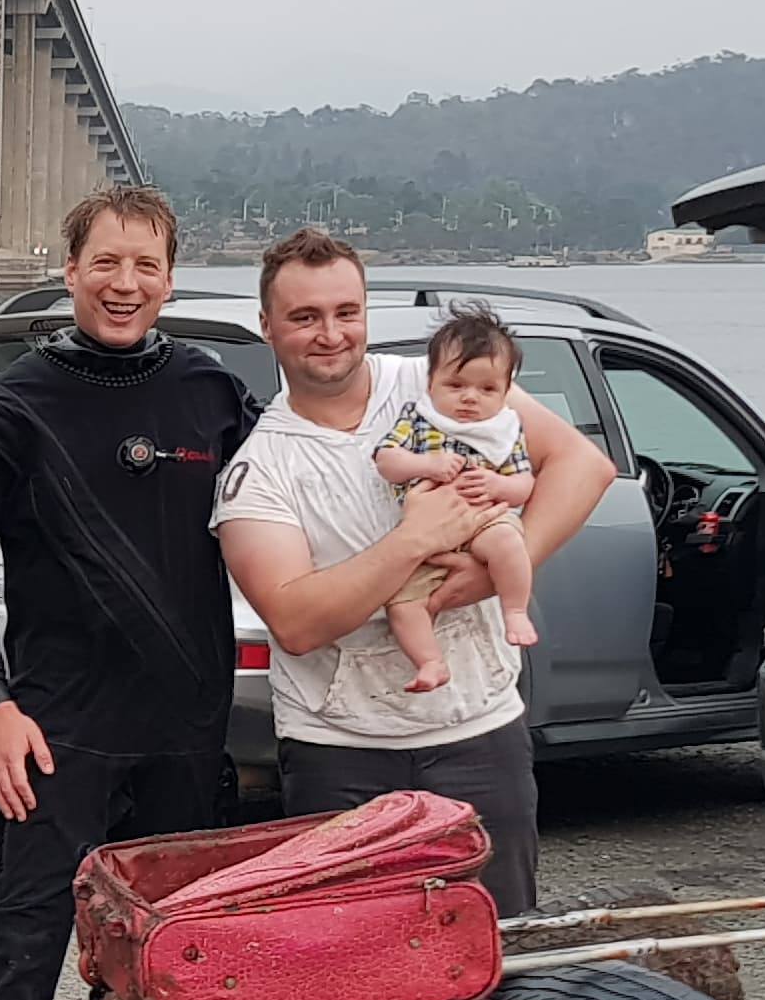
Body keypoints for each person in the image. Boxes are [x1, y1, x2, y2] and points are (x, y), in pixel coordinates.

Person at [0, 185, 257, 1000]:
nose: (124, 282)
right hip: (53, 729)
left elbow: (297, 508)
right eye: (105, 262)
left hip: (186, 728)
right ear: (70, 272)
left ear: (171, 281)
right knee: (24, 937)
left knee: (174, 946)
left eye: (146, 265)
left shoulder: (213, 396)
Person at [209, 238, 619, 912]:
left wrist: (494, 575)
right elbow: (296, 621)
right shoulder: (260, 469)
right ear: (267, 326)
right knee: (353, 966)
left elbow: (582, 465)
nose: (330, 333)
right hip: (337, 751)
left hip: (479, 731)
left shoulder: (440, 386)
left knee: (497, 946)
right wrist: (413, 542)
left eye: (347, 311)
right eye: (305, 316)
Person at [372, 304, 540, 690]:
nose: (470, 399)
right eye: (457, 385)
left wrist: (499, 487)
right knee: (401, 602)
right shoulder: (419, 419)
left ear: (505, 391)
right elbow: (386, 460)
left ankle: (514, 610)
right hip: (426, 534)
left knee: (509, 543)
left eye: (487, 389)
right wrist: (426, 465)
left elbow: (524, 483)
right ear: (431, 380)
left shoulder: (505, 428)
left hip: (484, 520)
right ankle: (430, 662)